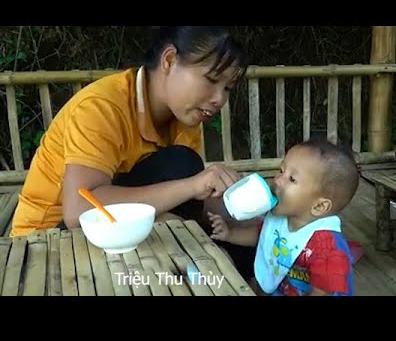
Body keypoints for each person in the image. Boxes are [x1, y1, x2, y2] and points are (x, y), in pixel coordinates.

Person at [10, 26, 248, 257]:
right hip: (46, 242)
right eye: (211, 79)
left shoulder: (184, 118)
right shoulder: (102, 107)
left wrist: (247, 213)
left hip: (119, 231)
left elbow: (189, 201)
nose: (219, 99)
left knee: (247, 247)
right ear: (169, 60)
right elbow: (79, 211)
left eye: (227, 88)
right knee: (182, 165)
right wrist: (193, 186)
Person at [208, 137, 361, 296]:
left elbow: (322, 292)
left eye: (292, 179)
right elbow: (262, 234)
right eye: (281, 171)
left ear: (319, 206)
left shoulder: (328, 246)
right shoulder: (281, 218)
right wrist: (230, 234)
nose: (278, 180)